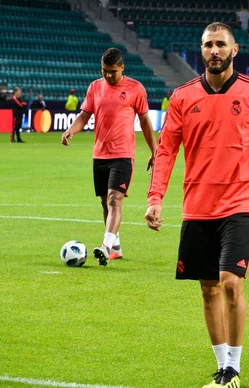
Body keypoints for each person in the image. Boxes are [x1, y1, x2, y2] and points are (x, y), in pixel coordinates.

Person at [144, 22, 249, 388]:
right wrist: (155, 197)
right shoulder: (183, 96)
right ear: (201, 50)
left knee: (231, 284)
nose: (215, 51)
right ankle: (222, 367)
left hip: (240, 204)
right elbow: (167, 150)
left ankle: (234, 368)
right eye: (208, 45)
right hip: (197, 206)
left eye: (221, 44)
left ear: (235, 50)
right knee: (208, 290)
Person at [61, 48, 157, 265]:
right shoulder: (95, 87)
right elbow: (84, 115)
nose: (108, 75)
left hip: (123, 155)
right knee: (105, 202)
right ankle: (116, 247)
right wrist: (71, 130)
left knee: (115, 199)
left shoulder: (135, 89)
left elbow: (145, 123)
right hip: (100, 155)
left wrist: (154, 151)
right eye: (105, 71)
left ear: (122, 67)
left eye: (112, 71)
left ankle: (105, 246)